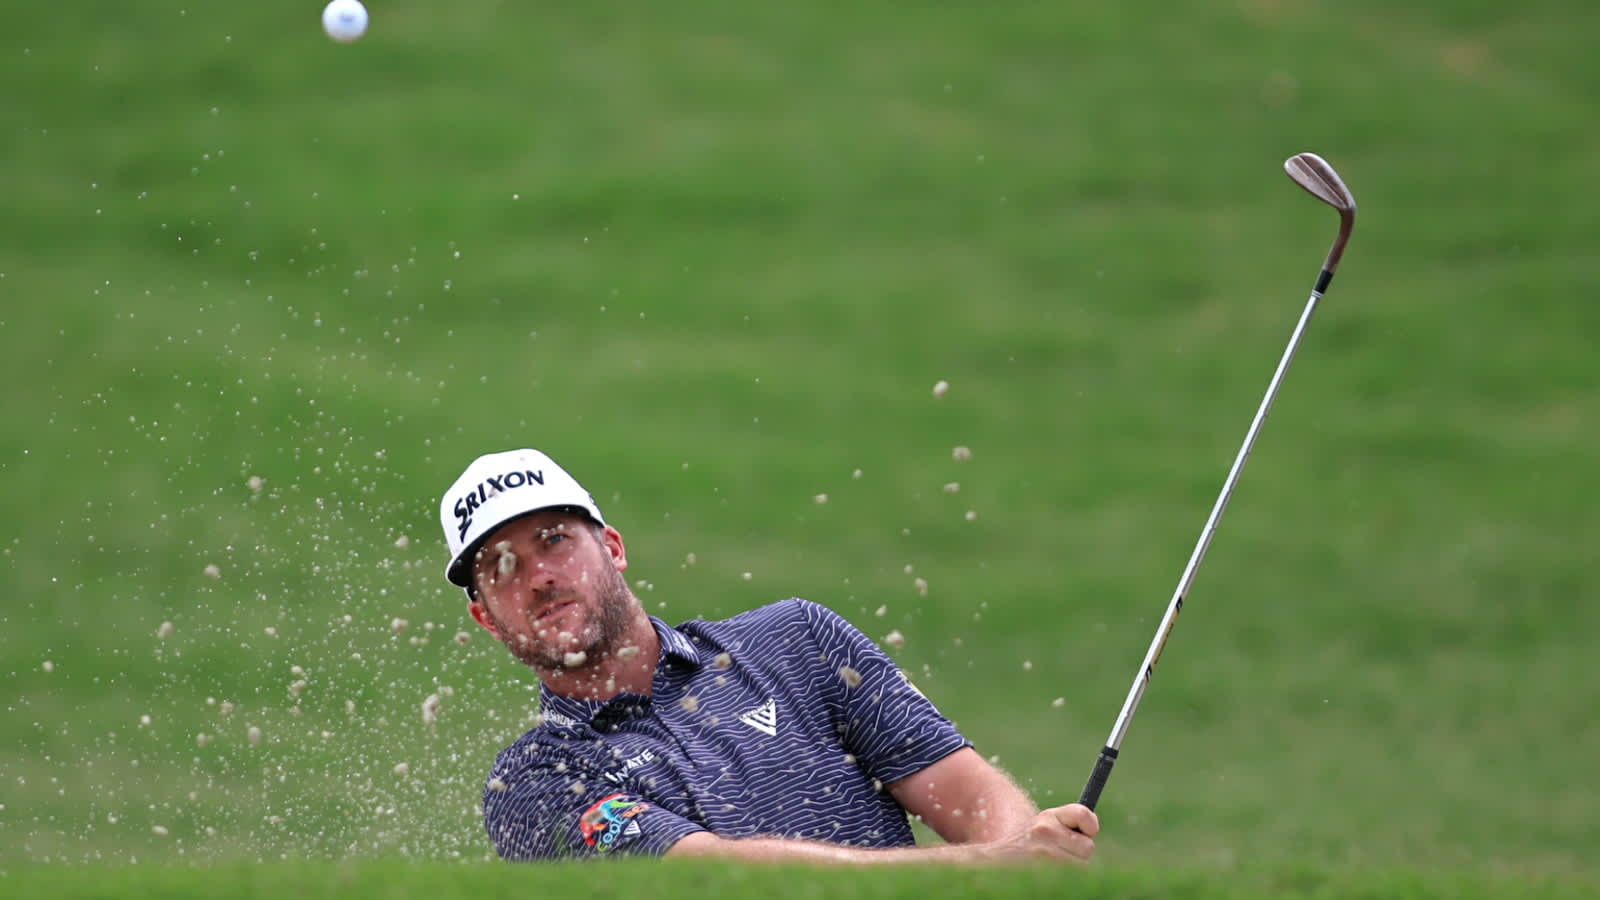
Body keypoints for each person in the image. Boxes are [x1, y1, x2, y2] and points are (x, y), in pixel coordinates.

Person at [439, 448, 1099, 864]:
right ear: (485, 618)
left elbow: (971, 796)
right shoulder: (533, 784)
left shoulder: (796, 639)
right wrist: (988, 868)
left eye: (555, 539)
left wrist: (1025, 862)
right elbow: (717, 879)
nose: (538, 577)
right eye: (502, 568)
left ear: (612, 547)